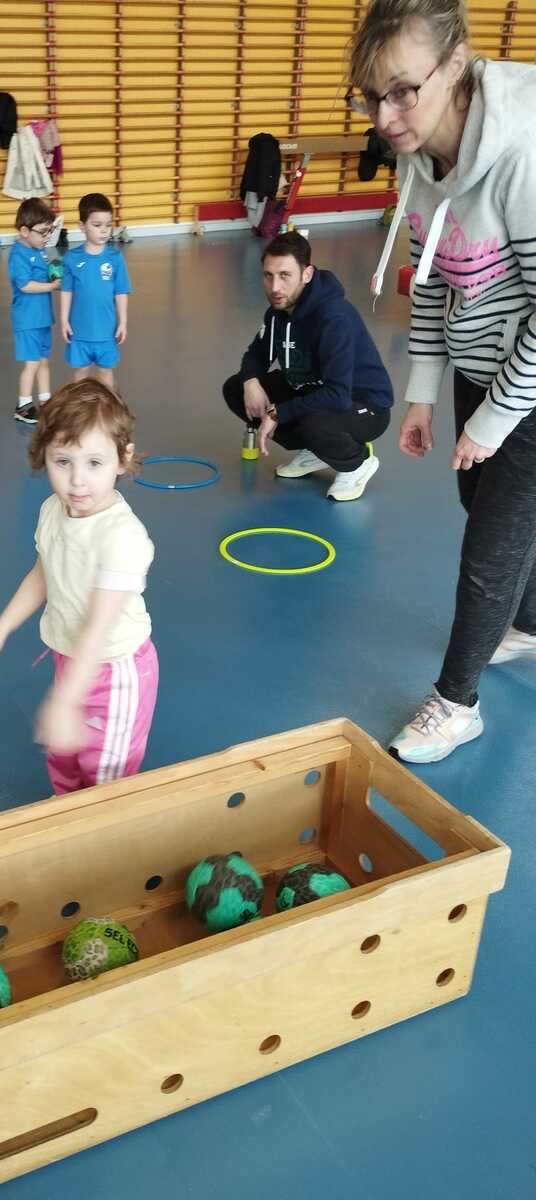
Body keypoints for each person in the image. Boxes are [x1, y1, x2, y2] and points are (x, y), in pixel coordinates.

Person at [349, 0, 536, 762]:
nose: (384, 117)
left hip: (530, 383)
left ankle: (456, 704)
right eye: (370, 97)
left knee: (490, 548)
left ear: (456, 65)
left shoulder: (524, 155)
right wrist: (423, 393)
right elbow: (430, 278)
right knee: (480, 502)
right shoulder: (418, 150)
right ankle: (529, 624)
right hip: (481, 361)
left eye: (402, 91)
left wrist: (491, 421)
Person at [0, 380, 158, 794]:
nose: (77, 481)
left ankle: (103, 831)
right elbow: (43, 574)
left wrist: (66, 701)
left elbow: (99, 628)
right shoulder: (54, 510)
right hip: (70, 656)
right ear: (44, 457)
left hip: (114, 669)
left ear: (122, 460)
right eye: (63, 461)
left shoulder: (121, 538)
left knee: (105, 775)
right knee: (64, 758)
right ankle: (67, 816)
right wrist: (0, 630)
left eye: (94, 462)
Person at [222, 231, 393, 501]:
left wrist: (278, 413)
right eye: (268, 276)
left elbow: (337, 395)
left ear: (307, 274)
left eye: (285, 275)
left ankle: (357, 462)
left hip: (363, 404)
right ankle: (318, 451)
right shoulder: (277, 312)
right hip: (313, 390)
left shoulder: (333, 317)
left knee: (314, 424)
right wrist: (251, 381)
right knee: (235, 388)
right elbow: (256, 354)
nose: (275, 287)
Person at [60, 193, 131, 387]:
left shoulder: (115, 258)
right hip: (80, 331)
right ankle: (79, 404)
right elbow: (66, 290)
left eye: (108, 225)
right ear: (82, 226)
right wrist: (64, 320)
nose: (104, 230)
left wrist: (123, 322)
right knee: (80, 373)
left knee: (105, 372)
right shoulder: (72, 258)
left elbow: (121, 292)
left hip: (106, 331)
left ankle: (109, 404)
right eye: (97, 225)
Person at [8, 197, 62, 425]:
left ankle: (46, 400)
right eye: (42, 232)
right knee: (31, 364)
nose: (46, 237)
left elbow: (43, 272)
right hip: (27, 320)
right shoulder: (18, 255)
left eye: (49, 231)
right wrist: (52, 286)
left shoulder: (39, 249)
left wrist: (54, 272)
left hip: (42, 318)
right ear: (24, 231)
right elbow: (25, 285)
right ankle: (23, 406)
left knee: (43, 361)